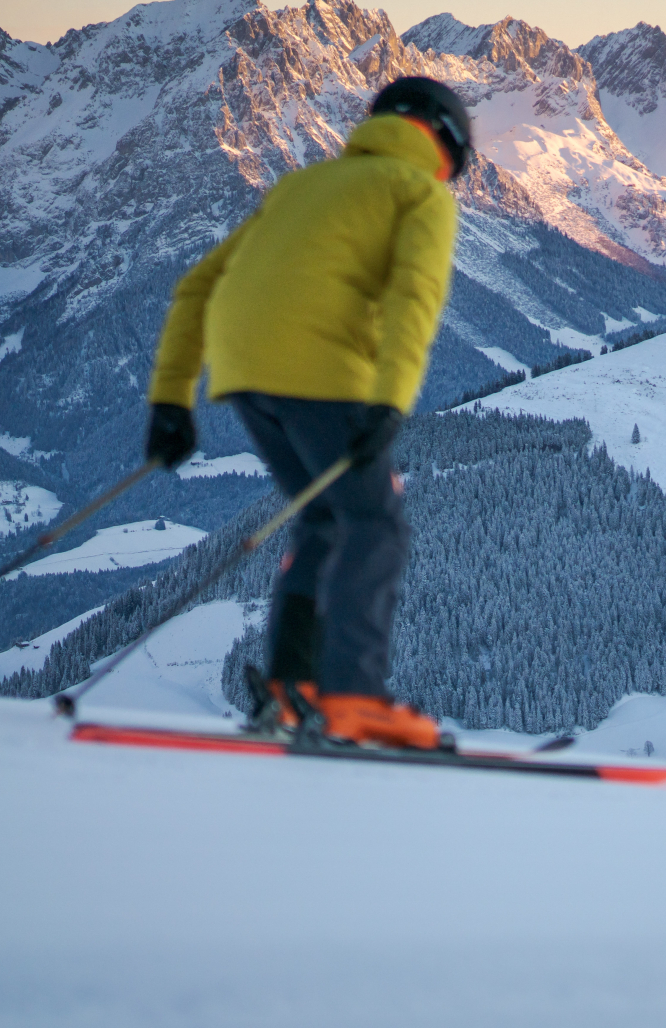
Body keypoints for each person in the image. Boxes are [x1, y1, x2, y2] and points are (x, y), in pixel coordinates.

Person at [141, 76, 472, 750]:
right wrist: (390, 399)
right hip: (325, 373)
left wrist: (173, 398)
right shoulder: (421, 194)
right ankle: (353, 699)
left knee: (324, 518)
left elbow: (199, 285)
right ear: (446, 145)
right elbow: (415, 297)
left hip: (242, 374)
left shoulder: (299, 186)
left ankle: (294, 690)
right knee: (374, 523)